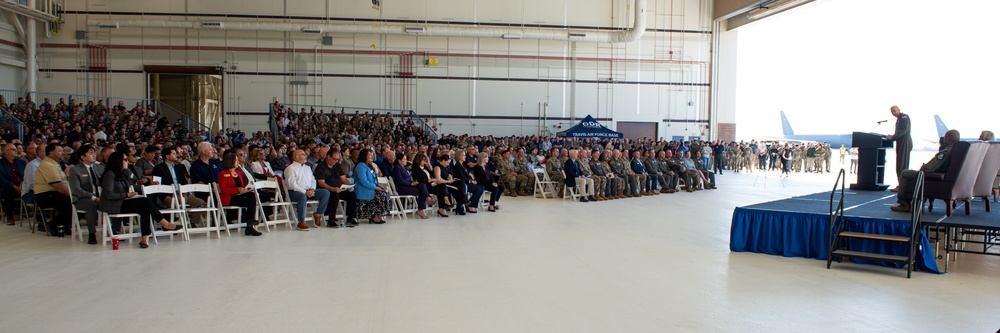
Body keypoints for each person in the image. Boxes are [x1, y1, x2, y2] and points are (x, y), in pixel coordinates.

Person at [99, 152, 183, 248]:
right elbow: (108, 195)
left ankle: (144, 239)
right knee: (145, 201)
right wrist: (126, 194)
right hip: (113, 204)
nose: (127, 162)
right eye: (125, 160)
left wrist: (148, 184)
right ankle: (164, 223)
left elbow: (135, 186)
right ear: (118, 161)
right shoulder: (110, 174)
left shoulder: (123, 174)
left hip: (121, 202)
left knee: (145, 209)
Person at [891, 130, 959, 213]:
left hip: (937, 177)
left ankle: (904, 204)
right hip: (946, 178)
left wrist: (923, 167)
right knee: (922, 176)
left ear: (948, 138)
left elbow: (930, 167)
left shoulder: (945, 152)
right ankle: (919, 204)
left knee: (906, 173)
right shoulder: (957, 150)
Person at [152, 146, 206, 227]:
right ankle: (171, 223)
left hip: (181, 193)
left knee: (200, 202)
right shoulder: (158, 168)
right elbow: (158, 185)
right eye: (173, 154)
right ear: (167, 156)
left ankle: (193, 221)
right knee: (174, 202)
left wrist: (184, 193)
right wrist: (173, 194)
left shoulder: (179, 167)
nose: (176, 155)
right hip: (167, 195)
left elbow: (184, 182)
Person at [284, 149, 331, 230]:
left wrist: (312, 189)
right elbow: (292, 185)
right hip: (295, 192)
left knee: (325, 192)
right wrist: (305, 192)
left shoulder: (307, 167)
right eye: (303, 154)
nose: (305, 156)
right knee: (302, 196)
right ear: (296, 157)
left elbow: (313, 180)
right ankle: (301, 222)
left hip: (309, 191)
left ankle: (318, 214)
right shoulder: (290, 168)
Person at [217, 152, 262, 236]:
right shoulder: (222, 173)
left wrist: (246, 189)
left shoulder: (239, 173)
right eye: (236, 160)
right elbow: (224, 190)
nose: (238, 162)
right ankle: (250, 224)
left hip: (239, 196)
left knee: (251, 196)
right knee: (250, 200)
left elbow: (242, 185)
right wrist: (237, 189)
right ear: (230, 161)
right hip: (229, 198)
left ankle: (250, 224)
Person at [34, 143, 74, 236]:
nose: (62, 153)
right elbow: (57, 185)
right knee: (69, 202)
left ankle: (66, 225)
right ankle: (54, 224)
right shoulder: (48, 165)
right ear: (51, 153)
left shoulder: (55, 164)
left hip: (54, 193)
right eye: (59, 151)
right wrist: (70, 195)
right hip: (45, 195)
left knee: (75, 201)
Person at [315, 148, 362, 225]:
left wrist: (349, 186)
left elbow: (343, 178)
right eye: (334, 159)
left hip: (339, 188)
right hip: (327, 189)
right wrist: (332, 189)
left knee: (352, 194)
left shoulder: (337, 166)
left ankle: (351, 217)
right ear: (328, 157)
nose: (336, 161)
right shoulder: (321, 167)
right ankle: (331, 219)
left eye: (337, 159)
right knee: (335, 196)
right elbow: (321, 183)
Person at [67, 145, 103, 244]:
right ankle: (92, 234)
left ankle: (114, 230)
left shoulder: (100, 167)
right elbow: (76, 190)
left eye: (94, 152)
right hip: (82, 198)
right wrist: (93, 197)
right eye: (91, 153)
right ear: (83, 157)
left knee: (115, 201)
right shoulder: (75, 170)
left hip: (99, 196)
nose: (94, 155)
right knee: (92, 205)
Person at [353, 149, 389, 224]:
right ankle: (373, 216)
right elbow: (363, 181)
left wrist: (379, 186)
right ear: (364, 156)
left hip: (371, 188)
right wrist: (375, 187)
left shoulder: (369, 166)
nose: (372, 156)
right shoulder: (360, 166)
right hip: (363, 189)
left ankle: (378, 214)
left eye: (372, 155)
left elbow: (374, 179)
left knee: (384, 193)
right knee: (380, 195)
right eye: (369, 155)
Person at [391, 152, 430, 219]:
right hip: (402, 188)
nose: (406, 161)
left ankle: (426, 199)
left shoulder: (404, 168)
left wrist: (413, 182)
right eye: (404, 159)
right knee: (422, 191)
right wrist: (411, 184)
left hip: (408, 186)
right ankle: (423, 205)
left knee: (422, 185)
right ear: (399, 160)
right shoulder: (397, 168)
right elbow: (399, 180)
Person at [886, 105, 912, 191]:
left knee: (902, 165)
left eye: (895, 110)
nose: (893, 113)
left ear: (899, 110)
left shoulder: (904, 117)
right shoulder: (899, 119)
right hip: (900, 142)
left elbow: (903, 130)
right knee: (899, 164)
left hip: (904, 142)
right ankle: (901, 184)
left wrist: (893, 137)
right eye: (892, 111)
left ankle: (903, 186)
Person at [0, 143, 26, 225]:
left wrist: (23, 185)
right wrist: (14, 186)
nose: (17, 151)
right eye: (14, 149)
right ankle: (10, 216)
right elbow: (1, 179)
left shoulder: (21, 162)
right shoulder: (0, 163)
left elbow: (26, 175)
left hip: (22, 185)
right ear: (6, 152)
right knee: (9, 190)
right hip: (6, 187)